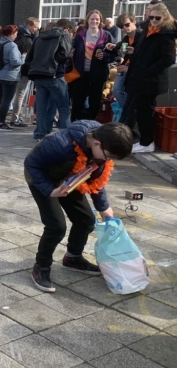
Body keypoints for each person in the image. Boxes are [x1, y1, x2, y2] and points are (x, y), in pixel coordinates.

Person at [25, 121, 133, 292]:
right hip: (43, 179)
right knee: (56, 226)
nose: (109, 160)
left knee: (86, 220)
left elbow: (96, 176)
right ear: (97, 144)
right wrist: (49, 190)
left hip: (71, 178)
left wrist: (104, 208)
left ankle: (72, 258)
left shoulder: (103, 142)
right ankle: (41, 267)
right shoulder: (61, 144)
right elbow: (31, 164)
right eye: (109, 156)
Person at [123, 2, 177, 153]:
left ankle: (147, 142)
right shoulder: (148, 29)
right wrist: (134, 51)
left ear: (165, 18)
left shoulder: (166, 35)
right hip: (141, 77)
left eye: (157, 18)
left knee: (145, 110)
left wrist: (149, 70)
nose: (153, 20)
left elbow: (168, 59)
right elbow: (146, 51)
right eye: (150, 17)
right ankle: (144, 140)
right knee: (140, 109)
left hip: (151, 79)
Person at [26, 18, 73, 141]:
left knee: (41, 108)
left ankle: (40, 135)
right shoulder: (64, 35)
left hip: (39, 75)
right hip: (55, 75)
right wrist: (55, 62)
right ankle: (66, 137)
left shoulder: (40, 37)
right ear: (67, 29)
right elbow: (64, 55)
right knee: (64, 108)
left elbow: (30, 56)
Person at [69, 10, 115, 122]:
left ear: (100, 21)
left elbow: (114, 53)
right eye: (92, 19)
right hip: (81, 73)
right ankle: (75, 123)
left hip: (98, 74)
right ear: (87, 20)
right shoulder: (80, 35)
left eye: (97, 19)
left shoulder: (106, 35)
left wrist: (104, 56)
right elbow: (72, 51)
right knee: (78, 101)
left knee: (95, 102)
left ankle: (91, 124)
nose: (94, 21)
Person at [0, 25, 24, 131]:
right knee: (6, 100)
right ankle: (1, 123)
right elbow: (15, 62)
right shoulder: (12, 46)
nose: (16, 36)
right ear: (12, 34)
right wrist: (23, 58)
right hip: (9, 76)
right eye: (16, 33)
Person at [105, 13, 138, 118]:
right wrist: (114, 46)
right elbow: (121, 44)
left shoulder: (141, 37)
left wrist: (129, 68)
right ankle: (128, 113)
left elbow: (144, 55)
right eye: (121, 27)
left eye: (127, 25)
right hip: (124, 67)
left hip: (135, 70)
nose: (124, 28)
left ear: (134, 22)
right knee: (116, 90)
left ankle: (130, 114)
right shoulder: (127, 38)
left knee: (129, 94)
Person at [10, 17, 39, 127]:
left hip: (14, 70)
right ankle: (15, 118)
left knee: (13, 94)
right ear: (29, 26)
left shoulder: (18, 36)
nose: (36, 29)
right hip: (23, 71)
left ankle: (2, 117)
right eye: (35, 26)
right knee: (20, 95)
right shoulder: (27, 40)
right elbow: (28, 58)